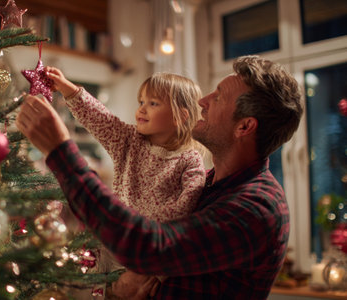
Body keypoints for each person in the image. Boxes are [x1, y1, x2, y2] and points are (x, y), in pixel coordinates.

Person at [16, 55, 303, 299]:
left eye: (218, 97)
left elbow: (150, 247)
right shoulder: (212, 184)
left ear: (245, 126)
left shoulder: (256, 207)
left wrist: (60, 152)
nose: (203, 101)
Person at [42, 67, 206, 298]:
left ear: (182, 115)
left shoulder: (190, 159)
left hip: (149, 254)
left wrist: (144, 232)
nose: (142, 108)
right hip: (111, 244)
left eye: (153, 103)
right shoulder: (129, 141)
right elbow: (100, 119)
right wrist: (67, 88)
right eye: (141, 101)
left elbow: (187, 205)